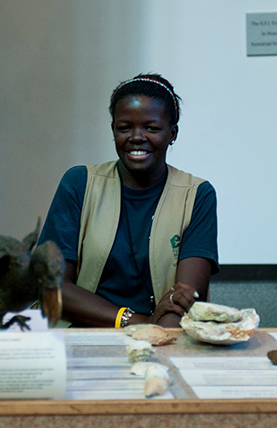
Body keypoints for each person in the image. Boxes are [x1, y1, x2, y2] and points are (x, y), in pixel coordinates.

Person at [38, 74, 218, 328]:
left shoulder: (197, 194)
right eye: (124, 127)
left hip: (163, 334)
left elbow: (186, 298)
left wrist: (154, 333)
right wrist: (135, 322)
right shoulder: (79, 182)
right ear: (113, 130)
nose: (136, 137)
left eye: (152, 128)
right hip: (82, 331)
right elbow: (52, 288)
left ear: (172, 133)